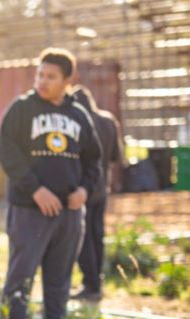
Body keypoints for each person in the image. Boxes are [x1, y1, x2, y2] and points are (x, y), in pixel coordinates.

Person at [0, 48, 101, 319]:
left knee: (59, 282)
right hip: (29, 211)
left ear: (68, 80)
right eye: (40, 74)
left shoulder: (78, 115)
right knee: (19, 279)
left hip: (69, 215)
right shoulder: (21, 109)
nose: (42, 81)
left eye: (51, 77)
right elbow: (8, 154)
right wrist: (35, 189)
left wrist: (84, 190)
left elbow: (94, 160)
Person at [71, 85, 124, 302]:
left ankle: (90, 284)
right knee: (97, 234)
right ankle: (96, 282)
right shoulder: (109, 120)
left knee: (84, 238)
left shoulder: (79, 122)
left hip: (82, 188)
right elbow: (115, 156)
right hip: (102, 187)